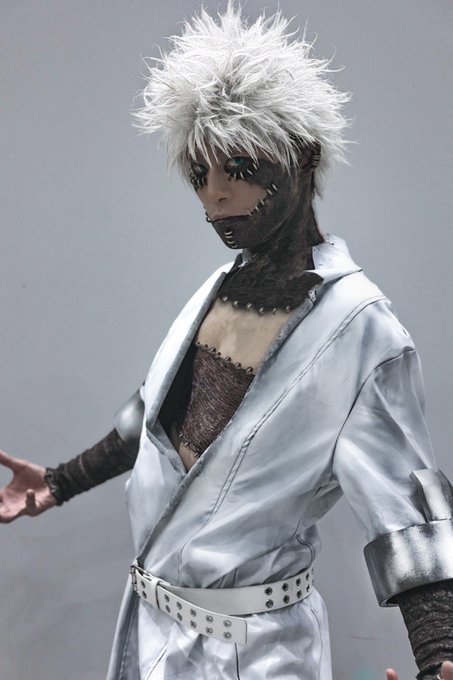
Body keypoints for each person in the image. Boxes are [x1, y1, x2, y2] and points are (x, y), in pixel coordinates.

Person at [1, 3, 452, 679]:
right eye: (199, 174)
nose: (213, 197)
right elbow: (157, 416)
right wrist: (59, 482)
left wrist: (439, 652)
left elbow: (408, 509)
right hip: (150, 629)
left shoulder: (362, 331)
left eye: (236, 168)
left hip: (255, 651)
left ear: (301, 158)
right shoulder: (220, 285)